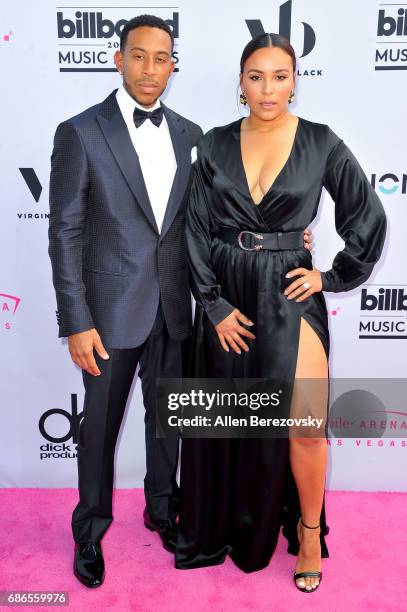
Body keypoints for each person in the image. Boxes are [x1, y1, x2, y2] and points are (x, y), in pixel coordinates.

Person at [175, 33, 387, 593]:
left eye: (280, 76)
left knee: (306, 428)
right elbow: (194, 231)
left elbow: (367, 216)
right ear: (240, 84)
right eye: (256, 76)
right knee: (231, 423)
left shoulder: (321, 142)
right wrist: (213, 304)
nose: (268, 88)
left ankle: (310, 531)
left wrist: (333, 275)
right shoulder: (214, 145)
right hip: (227, 294)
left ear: (296, 81)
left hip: (293, 294)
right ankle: (230, 524)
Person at [48, 14, 204, 588]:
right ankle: (89, 531)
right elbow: (63, 230)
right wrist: (76, 320)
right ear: (118, 58)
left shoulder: (191, 135)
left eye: (161, 58)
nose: (150, 69)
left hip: (174, 308)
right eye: (138, 56)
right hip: (109, 314)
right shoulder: (82, 131)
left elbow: (202, 223)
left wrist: (287, 238)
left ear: (172, 65)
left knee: (169, 424)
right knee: (98, 431)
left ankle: (163, 509)